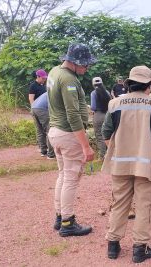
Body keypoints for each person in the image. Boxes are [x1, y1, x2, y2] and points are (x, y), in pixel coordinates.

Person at [102, 66, 151, 263]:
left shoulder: (115, 104)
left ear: (128, 84)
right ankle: (139, 250)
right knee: (145, 205)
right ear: (150, 85)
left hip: (120, 165)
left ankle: (113, 246)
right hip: (147, 166)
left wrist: (119, 151)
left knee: (119, 204)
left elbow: (106, 133)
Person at [47, 43, 96, 237]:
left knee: (63, 175)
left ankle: (60, 217)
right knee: (71, 178)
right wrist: (86, 146)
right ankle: (68, 222)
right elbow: (73, 114)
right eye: (85, 64)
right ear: (75, 62)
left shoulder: (54, 72)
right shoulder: (69, 80)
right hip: (68, 134)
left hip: (55, 132)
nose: (87, 68)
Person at [90, 77, 111, 159]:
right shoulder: (107, 92)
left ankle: (102, 156)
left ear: (93, 84)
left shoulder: (93, 93)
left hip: (98, 115)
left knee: (99, 136)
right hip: (108, 115)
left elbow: (93, 107)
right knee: (108, 135)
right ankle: (110, 155)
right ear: (102, 83)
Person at [31, 92, 55, 159]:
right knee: (50, 130)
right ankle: (51, 154)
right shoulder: (57, 92)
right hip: (42, 109)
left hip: (33, 108)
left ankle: (43, 151)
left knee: (40, 130)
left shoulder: (48, 92)